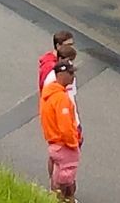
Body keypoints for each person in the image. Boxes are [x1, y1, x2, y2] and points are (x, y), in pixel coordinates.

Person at [40, 60, 80, 200]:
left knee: (56, 180)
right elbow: (65, 127)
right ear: (61, 74)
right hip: (64, 144)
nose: (73, 76)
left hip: (53, 143)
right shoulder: (61, 98)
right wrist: (73, 143)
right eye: (70, 73)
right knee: (65, 180)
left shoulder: (48, 93)